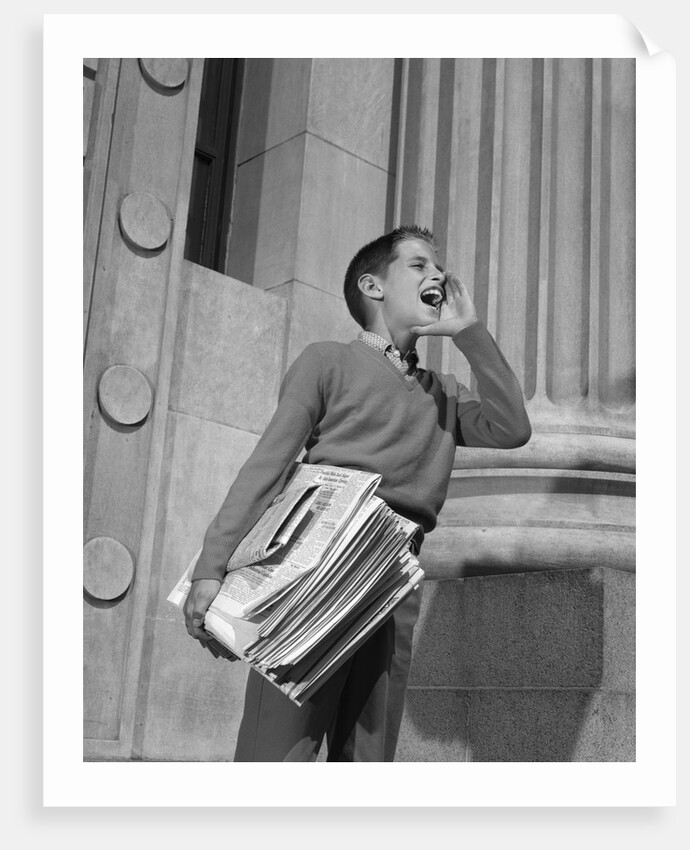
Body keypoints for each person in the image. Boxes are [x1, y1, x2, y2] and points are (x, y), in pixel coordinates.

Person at [184, 225, 531, 761]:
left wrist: (470, 333)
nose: (437, 274)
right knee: (276, 756)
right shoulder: (327, 361)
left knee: (367, 762)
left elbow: (512, 429)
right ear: (373, 286)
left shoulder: (444, 394)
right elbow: (267, 467)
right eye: (418, 265)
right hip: (313, 574)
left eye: (437, 266)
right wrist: (211, 569)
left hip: (394, 582)